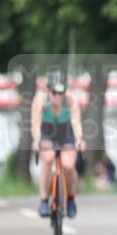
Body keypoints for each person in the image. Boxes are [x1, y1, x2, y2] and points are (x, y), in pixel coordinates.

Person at [30, 71, 84, 218]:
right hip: (47, 131)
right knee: (48, 159)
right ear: (49, 90)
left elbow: (76, 123)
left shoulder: (71, 99)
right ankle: (44, 200)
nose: (58, 96)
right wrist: (36, 140)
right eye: (55, 92)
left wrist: (79, 140)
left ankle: (71, 198)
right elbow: (36, 123)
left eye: (61, 92)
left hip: (66, 132)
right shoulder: (40, 99)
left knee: (68, 165)